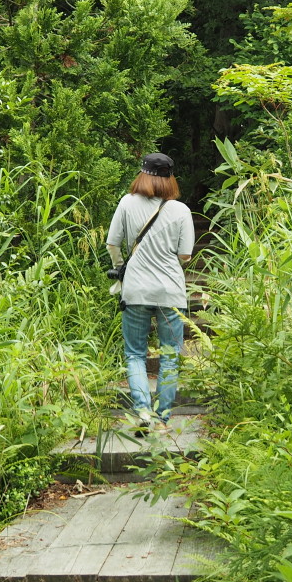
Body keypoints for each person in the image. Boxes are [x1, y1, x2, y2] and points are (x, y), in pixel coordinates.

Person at [105, 152, 196, 431]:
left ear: (142, 174)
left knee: (135, 354)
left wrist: (121, 268)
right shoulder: (181, 210)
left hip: (135, 290)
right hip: (170, 291)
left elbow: (112, 243)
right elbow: (185, 255)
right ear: (170, 178)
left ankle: (143, 412)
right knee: (169, 356)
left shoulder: (126, 203)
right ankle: (161, 420)